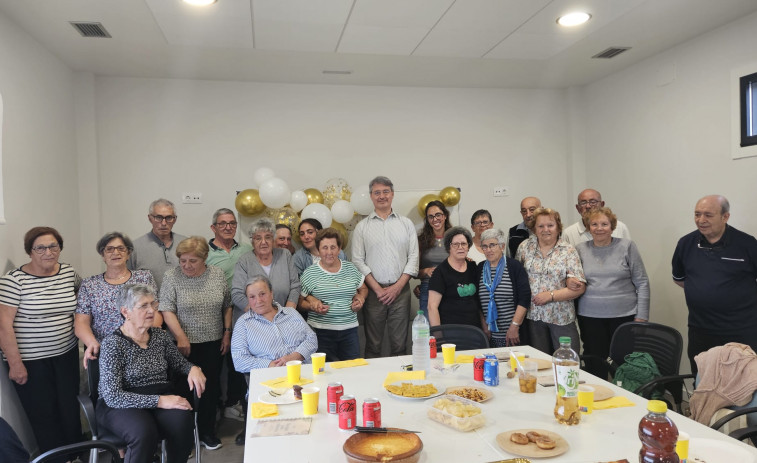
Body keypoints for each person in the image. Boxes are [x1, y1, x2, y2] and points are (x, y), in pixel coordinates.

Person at [97, 284, 206, 463]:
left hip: (158, 394)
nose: (151, 311)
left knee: (182, 421)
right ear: (126, 312)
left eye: (152, 305)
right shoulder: (112, 344)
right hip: (121, 404)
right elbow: (113, 396)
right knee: (142, 432)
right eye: (143, 306)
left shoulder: (159, 336)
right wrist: (160, 401)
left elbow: (179, 363)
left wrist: (193, 368)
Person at [0, 227, 82, 463]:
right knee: (43, 414)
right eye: (41, 248)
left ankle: (75, 455)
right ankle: (56, 459)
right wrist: (15, 365)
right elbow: (4, 326)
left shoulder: (68, 272)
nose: (48, 252)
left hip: (66, 354)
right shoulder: (13, 281)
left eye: (53, 246)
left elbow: (82, 301)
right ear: (30, 251)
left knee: (69, 408)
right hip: (30, 361)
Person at [160, 237, 232, 451]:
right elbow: (166, 309)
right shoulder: (171, 277)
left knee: (209, 390)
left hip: (213, 343)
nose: (186, 266)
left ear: (204, 258)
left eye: (192, 261)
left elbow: (227, 305)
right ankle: (184, 439)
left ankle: (206, 433)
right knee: (183, 390)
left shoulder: (217, 275)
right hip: (182, 346)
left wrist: (227, 332)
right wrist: (181, 336)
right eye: (182, 261)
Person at [672, 195, 757, 373]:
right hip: (700, 331)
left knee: (742, 388)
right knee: (702, 383)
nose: (701, 220)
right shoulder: (686, 243)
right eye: (697, 214)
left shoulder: (747, 244)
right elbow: (679, 278)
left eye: (708, 215)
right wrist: (705, 292)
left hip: (740, 332)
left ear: (725, 217)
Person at [575, 207, 650, 378]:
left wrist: (642, 315)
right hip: (590, 315)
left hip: (624, 315)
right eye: (594, 224)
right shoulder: (579, 249)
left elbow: (642, 282)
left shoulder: (627, 246)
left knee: (622, 361)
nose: (599, 228)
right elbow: (574, 279)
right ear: (588, 227)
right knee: (595, 360)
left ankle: (624, 398)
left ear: (612, 226)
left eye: (604, 224)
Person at [351, 176, 419, 358]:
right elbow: (357, 260)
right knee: (373, 344)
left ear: (392, 194)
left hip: (401, 291)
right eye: (377, 192)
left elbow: (413, 258)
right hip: (374, 294)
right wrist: (378, 290)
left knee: (400, 344)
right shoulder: (362, 227)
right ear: (371, 196)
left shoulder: (406, 224)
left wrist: (397, 288)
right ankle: (372, 384)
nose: (382, 196)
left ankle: (402, 383)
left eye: (385, 192)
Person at [76, 232, 159, 368]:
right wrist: (92, 343)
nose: (116, 253)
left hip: (141, 347)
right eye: (109, 249)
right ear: (103, 255)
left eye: (121, 248)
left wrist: (144, 338)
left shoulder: (144, 278)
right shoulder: (89, 284)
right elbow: (81, 322)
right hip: (103, 351)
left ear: (128, 253)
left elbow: (156, 313)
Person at [516, 208, 586, 354]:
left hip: (561, 316)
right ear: (534, 228)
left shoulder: (568, 250)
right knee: (540, 362)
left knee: (567, 361)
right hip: (533, 316)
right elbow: (517, 280)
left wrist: (551, 295)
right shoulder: (524, 247)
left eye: (550, 225)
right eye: (540, 226)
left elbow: (579, 288)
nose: (545, 230)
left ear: (558, 227)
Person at [205, 208, 251, 426]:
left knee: (236, 361)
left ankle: (233, 403)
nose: (228, 227)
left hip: (241, 312)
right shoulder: (205, 252)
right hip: (213, 314)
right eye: (222, 223)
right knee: (214, 365)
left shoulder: (246, 249)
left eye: (232, 223)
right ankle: (213, 408)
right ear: (213, 227)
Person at [300, 228, 368, 361]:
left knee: (352, 370)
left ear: (339, 249)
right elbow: (299, 302)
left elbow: (364, 289)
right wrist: (311, 306)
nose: (329, 252)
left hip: (350, 331)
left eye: (333, 247)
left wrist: (361, 298)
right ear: (318, 250)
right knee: (324, 374)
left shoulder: (350, 268)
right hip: (320, 332)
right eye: (324, 248)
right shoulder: (310, 273)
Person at [231, 276, 318, 371]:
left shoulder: (291, 313)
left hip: (303, 373)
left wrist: (293, 357)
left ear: (271, 293)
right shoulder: (243, 323)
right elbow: (239, 361)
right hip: (268, 379)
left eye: (262, 294)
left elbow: (312, 338)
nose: (258, 301)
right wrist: (272, 365)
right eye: (252, 297)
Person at [232, 218, 300, 325]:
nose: (263, 242)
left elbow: (295, 286)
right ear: (252, 242)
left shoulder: (285, 255)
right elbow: (237, 294)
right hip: (251, 322)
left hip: (282, 321)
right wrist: (265, 316)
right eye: (258, 238)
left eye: (267, 237)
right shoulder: (244, 261)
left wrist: (287, 314)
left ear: (273, 239)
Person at [478, 228, 532, 347]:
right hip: (489, 335)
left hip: (512, 334)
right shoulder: (479, 268)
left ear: (502, 246)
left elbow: (524, 298)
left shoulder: (514, 266)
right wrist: (484, 327)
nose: (488, 250)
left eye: (492, 245)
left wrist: (514, 326)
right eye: (485, 246)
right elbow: (478, 303)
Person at [427, 227, 484, 329]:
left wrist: (484, 326)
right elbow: (432, 307)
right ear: (449, 247)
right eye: (456, 244)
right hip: (450, 330)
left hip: (475, 329)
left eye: (463, 244)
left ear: (468, 246)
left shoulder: (473, 267)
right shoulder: (440, 272)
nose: (460, 247)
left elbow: (479, 301)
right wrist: (438, 334)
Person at [128, 198, 187, 289]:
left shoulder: (186, 243)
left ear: (175, 219)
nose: (163, 223)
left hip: (182, 301)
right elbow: (129, 283)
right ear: (150, 218)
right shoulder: (135, 248)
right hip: (150, 302)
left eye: (169, 218)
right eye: (158, 218)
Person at [416, 200, 452, 313]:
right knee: (428, 328)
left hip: (451, 286)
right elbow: (413, 272)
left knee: (451, 327)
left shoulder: (455, 237)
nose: (435, 219)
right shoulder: (421, 241)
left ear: (445, 216)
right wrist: (426, 271)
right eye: (430, 216)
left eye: (438, 215)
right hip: (428, 287)